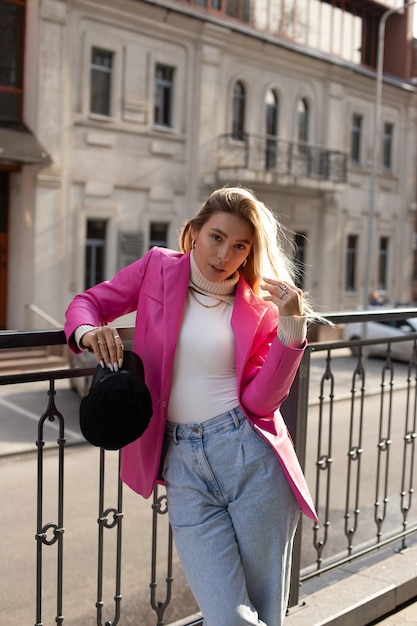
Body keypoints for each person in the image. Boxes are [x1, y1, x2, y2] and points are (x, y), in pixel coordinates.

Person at [65, 186, 319, 626]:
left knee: (265, 614)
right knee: (229, 618)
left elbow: (262, 401)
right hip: (182, 466)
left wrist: (292, 328)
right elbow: (89, 302)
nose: (224, 254)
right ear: (194, 233)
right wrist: (87, 332)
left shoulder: (261, 309)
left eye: (240, 246)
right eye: (216, 237)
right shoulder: (157, 269)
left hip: (250, 458)